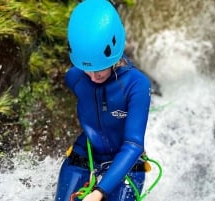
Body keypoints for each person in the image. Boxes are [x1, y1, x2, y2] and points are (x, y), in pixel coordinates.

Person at [54, 0, 151, 201]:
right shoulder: (75, 77)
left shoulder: (137, 85)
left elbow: (133, 144)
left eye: (99, 69)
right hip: (84, 157)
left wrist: (99, 192)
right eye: (87, 69)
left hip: (127, 165)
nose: (93, 76)